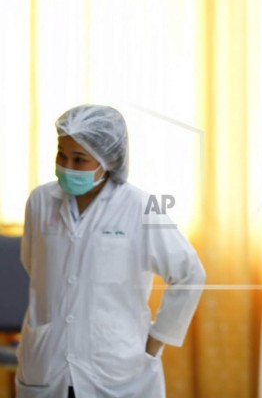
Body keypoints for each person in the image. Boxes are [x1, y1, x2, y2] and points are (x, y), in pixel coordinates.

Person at [17, 104, 205, 398]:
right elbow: (36, 266)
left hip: (117, 367)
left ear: (110, 160)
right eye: (61, 154)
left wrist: (156, 341)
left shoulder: (141, 208)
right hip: (48, 360)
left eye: (79, 160)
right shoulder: (40, 201)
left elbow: (189, 274)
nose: (66, 166)